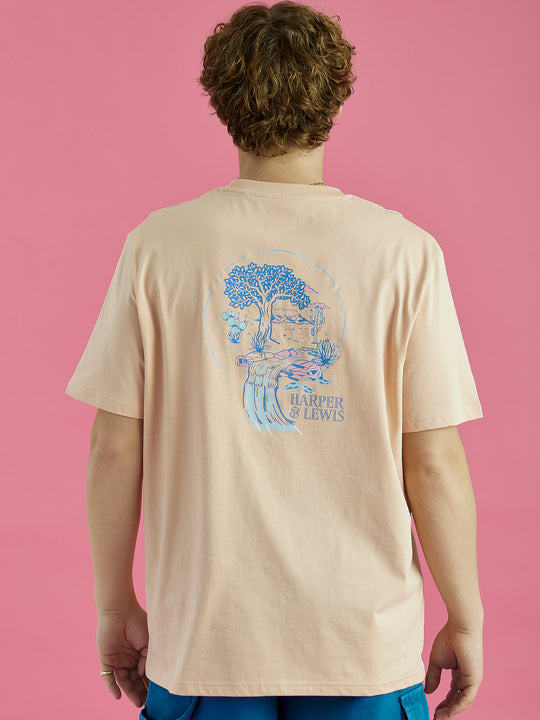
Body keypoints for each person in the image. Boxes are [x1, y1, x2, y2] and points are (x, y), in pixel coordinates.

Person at [65, 2, 484, 719]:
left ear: (222, 101)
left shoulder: (158, 249)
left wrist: (115, 605)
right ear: (334, 98)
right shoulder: (405, 254)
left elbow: (113, 446)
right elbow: (434, 463)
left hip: (205, 645)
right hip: (361, 647)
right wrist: (465, 617)